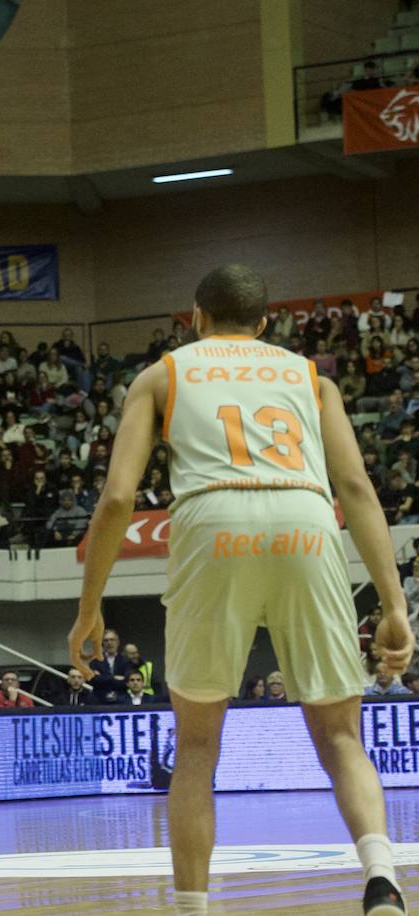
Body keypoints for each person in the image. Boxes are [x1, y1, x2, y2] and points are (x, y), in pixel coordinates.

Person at [69, 263, 413, 916]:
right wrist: (393, 605)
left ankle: (195, 909)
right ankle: (380, 876)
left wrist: (91, 608)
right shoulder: (312, 379)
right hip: (307, 521)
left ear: (193, 318)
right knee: (342, 736)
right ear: (263, 324)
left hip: (212, 519)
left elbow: (116, 499)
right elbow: (359, 491)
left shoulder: (164, 374)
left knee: (198, 745)